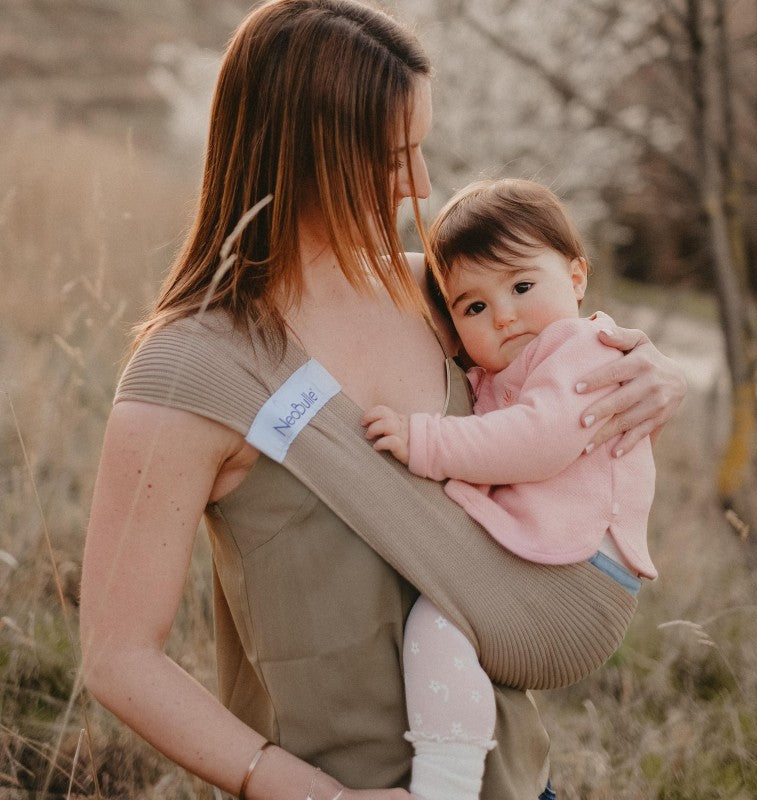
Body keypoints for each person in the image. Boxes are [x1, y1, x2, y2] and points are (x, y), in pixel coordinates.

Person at [78, 2, 686, 799]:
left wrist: (653, 372)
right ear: (308, 155)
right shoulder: (190, 374)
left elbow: (562, 353)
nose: (423, 183)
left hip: (516, 780)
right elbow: (117, 657)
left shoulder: (438, 296)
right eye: (396, 156)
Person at [363, 178, 658, 800]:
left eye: (523, 286)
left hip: (582, 581)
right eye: (473, 307)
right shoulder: (504, 369)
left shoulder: (580, 347)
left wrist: (428, 442)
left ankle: (445, 787)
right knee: (438, 626)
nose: (503, 314)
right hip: (560, 572)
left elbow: (540, 437)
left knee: (437, 626)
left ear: (576, 277)